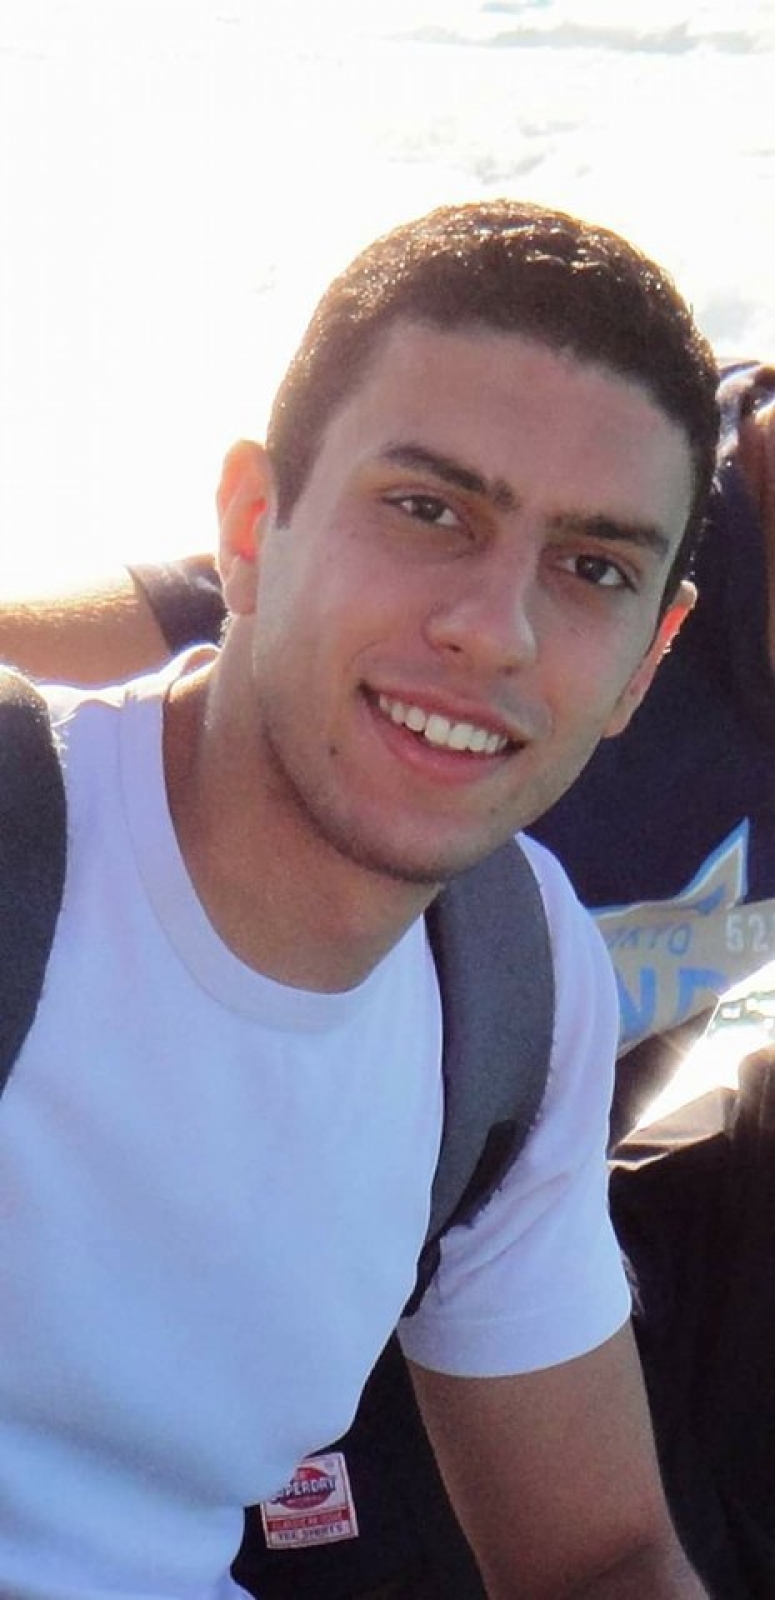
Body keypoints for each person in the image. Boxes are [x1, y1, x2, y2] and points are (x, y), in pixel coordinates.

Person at [0, 198, 718, 1598]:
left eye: (592, 569)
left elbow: (598, 1556)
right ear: (250, 526)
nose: (493, 630)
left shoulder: (514, 984)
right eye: (428, 510)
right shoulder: (30, 833)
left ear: (649, 658)